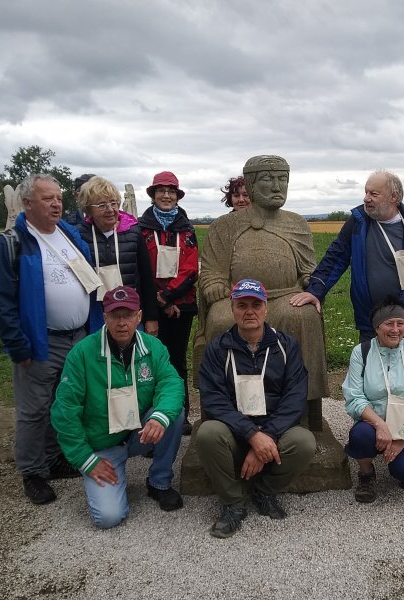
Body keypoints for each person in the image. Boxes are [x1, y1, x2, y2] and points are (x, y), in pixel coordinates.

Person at [0, 173, 103, 505]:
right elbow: (1, 302)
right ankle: (33, 472)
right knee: (34, 409)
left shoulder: (68, 234)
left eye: (58, 198)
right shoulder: (12, 243)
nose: (56, 203)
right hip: (41, 341)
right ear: (27, 204)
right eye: (47, 198)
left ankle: (54, 459)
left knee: (64, 402)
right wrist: (17, 345)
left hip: (78, 336)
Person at [195, 155, 328, 429]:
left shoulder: (297, 224)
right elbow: (211, 271)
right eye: (268, 179)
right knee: (222, 321)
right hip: (240, 298)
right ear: (252, 184)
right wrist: (214, 285)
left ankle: (302, 411)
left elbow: (308, 269)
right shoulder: (225, 226)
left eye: (283, 179)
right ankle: (222, 409)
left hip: (285, 295)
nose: (278, 186)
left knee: (303, 317)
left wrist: (309, 281)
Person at [51, 286, 185, 528]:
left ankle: (159, 482)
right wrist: (86, 460)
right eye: (115, 316)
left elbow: (171, 382)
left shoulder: (153, 347)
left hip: (138, 433)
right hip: (103, 443)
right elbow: (65, 411)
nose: (122, 323)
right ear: (105, 318)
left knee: (173, 415)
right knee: (108, 517)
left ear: (139, 316)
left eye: (128, 315)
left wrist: (159, 416)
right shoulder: (81, 354)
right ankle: (107, 468)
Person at [196, 278, 316, 538]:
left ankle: (264, 491)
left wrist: (268, 436)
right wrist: (251, 435)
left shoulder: (286, 346)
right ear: (232, 310)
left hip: (274, 432)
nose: (249, 311)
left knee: (304, 441)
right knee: (207, 433)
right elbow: (213, 399)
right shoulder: (218, 349)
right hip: (235, 432)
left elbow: (295, 397)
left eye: (255, 305)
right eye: (242, 305)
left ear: (266, 309)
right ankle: (232, 503)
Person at [290, 170, 404, 341]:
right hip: (370, 322)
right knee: (370, 366)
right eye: (366, 192)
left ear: (394, 197)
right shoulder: (358, 223)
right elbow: (335, 258)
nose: (366, 198)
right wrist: (315, 291)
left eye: (374, 193)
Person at [342, 297, 404, 503]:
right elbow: (353, 396)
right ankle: (366, 473)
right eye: (388, 324)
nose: (395, 330)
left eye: (400, 323)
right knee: (360, 435)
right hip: (374, 424)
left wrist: (401, 438)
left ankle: (401, 462)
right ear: (376, 327)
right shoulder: (362, 352)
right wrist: (380, 424)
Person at [138, 171, 198, 435]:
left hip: (180, 306)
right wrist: (160, 302)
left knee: (177, 360)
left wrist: (169, 297)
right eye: (161, 191)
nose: (166, 195)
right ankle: (151, 417)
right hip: (151, 306)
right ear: (153, 195)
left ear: (177, 195)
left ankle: (180, 413)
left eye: (171, 191)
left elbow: (190, 269)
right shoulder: (140, 229)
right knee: (150, 362)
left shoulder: (187, 229)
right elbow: (141, 268)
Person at [75, 176, 159, 334]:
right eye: (102, 205)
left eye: (113, 203)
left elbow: (146, 277)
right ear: (88, 208)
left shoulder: (133, 232)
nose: (110, 209)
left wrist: (151, 318)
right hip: (94, 314)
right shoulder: (79, 235)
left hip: (129, 312)